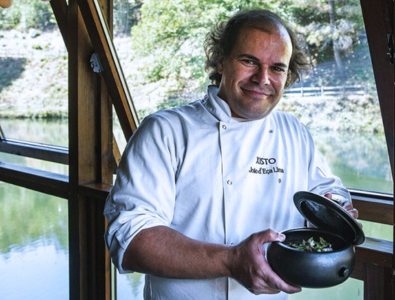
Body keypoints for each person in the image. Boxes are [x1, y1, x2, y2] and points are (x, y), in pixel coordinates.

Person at [104, 8, 359, 300]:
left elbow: (326, 192)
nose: (262, 78)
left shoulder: (294, 133)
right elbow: (130, 239)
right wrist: (231, 260)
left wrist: (335, 210)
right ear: (221, 60)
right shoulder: (165, 131)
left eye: (277, 68)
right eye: (249, 61)